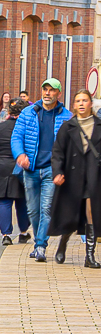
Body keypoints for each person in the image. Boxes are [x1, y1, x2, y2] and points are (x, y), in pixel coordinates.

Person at [15, 78, 71, 262]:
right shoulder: (28, 112)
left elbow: (71, 146)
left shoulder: (66, 117)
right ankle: (38, 242)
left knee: (46, 208)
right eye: (45, 89)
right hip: (30, 169)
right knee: (32, 210)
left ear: (58, 94)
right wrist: (20, 154)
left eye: (52, 90)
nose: (47, 93)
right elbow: (17, 137)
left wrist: (63, 170)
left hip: (50, 170)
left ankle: (40, 245)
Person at [50, 90, 101, 266]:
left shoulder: (99, 125)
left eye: (84, 100)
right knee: (71, 214)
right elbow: (57, 152)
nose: (81, 103)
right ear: (74, 105)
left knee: (91, 214)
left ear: (90, 104)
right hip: (72, 177)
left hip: (94, 178)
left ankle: (90, 256)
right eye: (78, 100)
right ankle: (62, 245)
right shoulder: (67, 126)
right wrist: (57, 172)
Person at [0, 101, 32, 246]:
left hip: (1, 166)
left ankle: (6, 235)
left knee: (4, 201)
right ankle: (23, 232)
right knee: (22, 201)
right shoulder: (26, 128)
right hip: (19, 167)